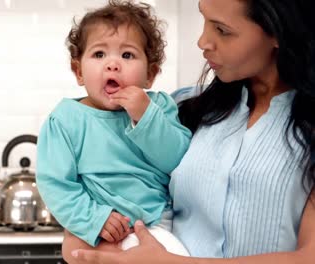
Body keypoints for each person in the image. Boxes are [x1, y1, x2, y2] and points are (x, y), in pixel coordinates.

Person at [71, 0, 315, 263]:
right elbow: (77, 240)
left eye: (222, 30)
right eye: (204, 19)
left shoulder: (309, 132)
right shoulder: (176, 111)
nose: (203, 41)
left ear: (278, 33)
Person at [36, 0, 192, 262]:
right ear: (79, 72)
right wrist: (94, 219)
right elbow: (56, 185)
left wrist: (145, 116)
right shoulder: (65, 120)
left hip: (154, 224)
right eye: (99, 55)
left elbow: (176, 160)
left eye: (127, 55)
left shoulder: (159, 107)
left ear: (150, 74)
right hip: (98, 230)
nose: (112, 64)